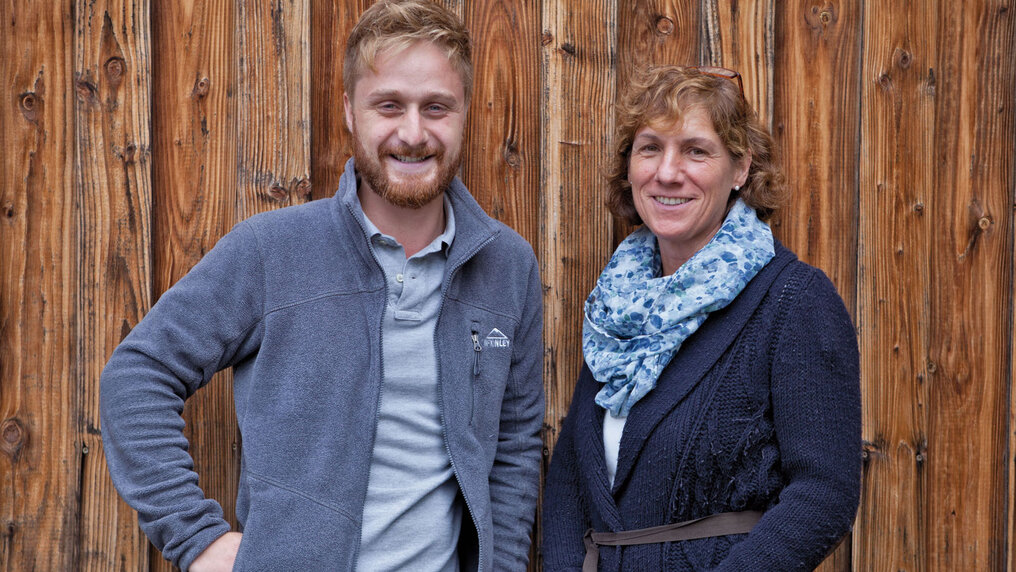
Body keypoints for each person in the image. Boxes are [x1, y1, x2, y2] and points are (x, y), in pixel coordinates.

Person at [100, 2, 544, 570]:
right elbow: (137, 375)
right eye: (389, 105)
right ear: (350, 113)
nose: (413, 133)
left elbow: (513, 448)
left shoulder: (507, 267)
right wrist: (198, 538)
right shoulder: (272, 250)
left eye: (436, 107)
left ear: (463, 115)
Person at [541, 65, 861, 571]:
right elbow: (571, 484)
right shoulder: (619, 308)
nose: (668, 172)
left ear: (740, 169)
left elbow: (824, 494)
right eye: (650, 148)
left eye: (695, 150)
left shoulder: (793, 301)